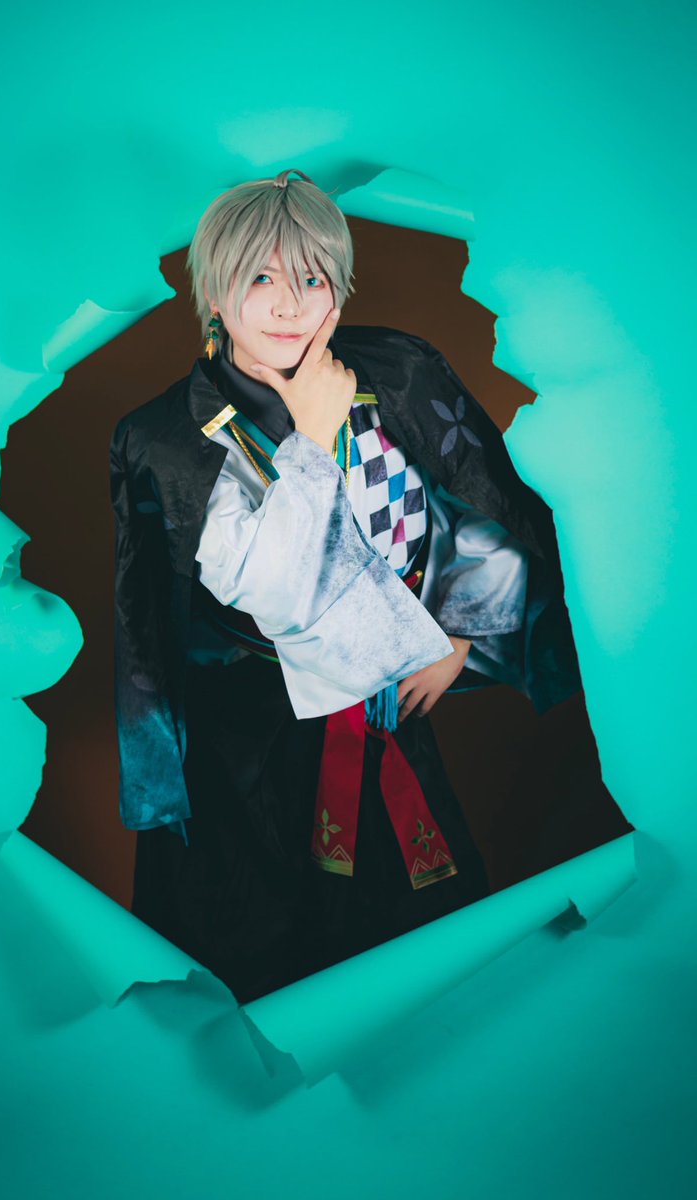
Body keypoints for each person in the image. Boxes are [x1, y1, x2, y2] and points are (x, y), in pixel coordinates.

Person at [110, 168, 582, 1003]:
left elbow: (477, 501)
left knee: (420, 949)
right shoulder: (165, 438)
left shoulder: (395, 370)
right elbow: (276, 591)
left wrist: (459, 630)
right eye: (260, 277)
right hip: (246, 738)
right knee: (261, 955)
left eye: (312, 277)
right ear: (214, 292)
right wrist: (314, 436)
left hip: (389, 705)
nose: (289, 305)